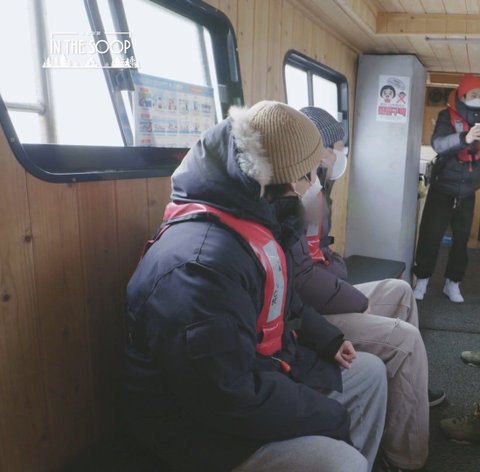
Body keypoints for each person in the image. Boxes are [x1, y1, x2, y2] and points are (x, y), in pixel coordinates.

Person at [123, 101, 387, 472]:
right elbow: (225, 396)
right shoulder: (199, 269)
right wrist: (327, 416)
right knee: (341, 461)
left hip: (261, 370)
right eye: (312, 173)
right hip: (196, 428)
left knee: (369, 372)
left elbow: (283, 301)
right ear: (289, 182)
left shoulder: (253, 219)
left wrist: (326, 339)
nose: (317, 184)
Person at [266, 106, 442, 471]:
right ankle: (405, 457)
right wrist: (356, 299)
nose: (341, 155)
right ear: (318, 150)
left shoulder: (315, 191)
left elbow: (322, 255)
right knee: (405, 339)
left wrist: (343, 279)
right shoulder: (293, 200)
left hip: (327, 294)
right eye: (337, 147)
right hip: (314, 310)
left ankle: (410, 394)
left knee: (399, 290)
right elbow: (302, 280)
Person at [413, 74, 480, 303]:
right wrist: (465, 138)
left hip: (468, 192)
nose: (477, 98)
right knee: (430, 236)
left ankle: (453, 283)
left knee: (461, 241)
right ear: (462, 95)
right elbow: (439, 144)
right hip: (442, 188)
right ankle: (422, 279)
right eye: (473, 94)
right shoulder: (446, 116)